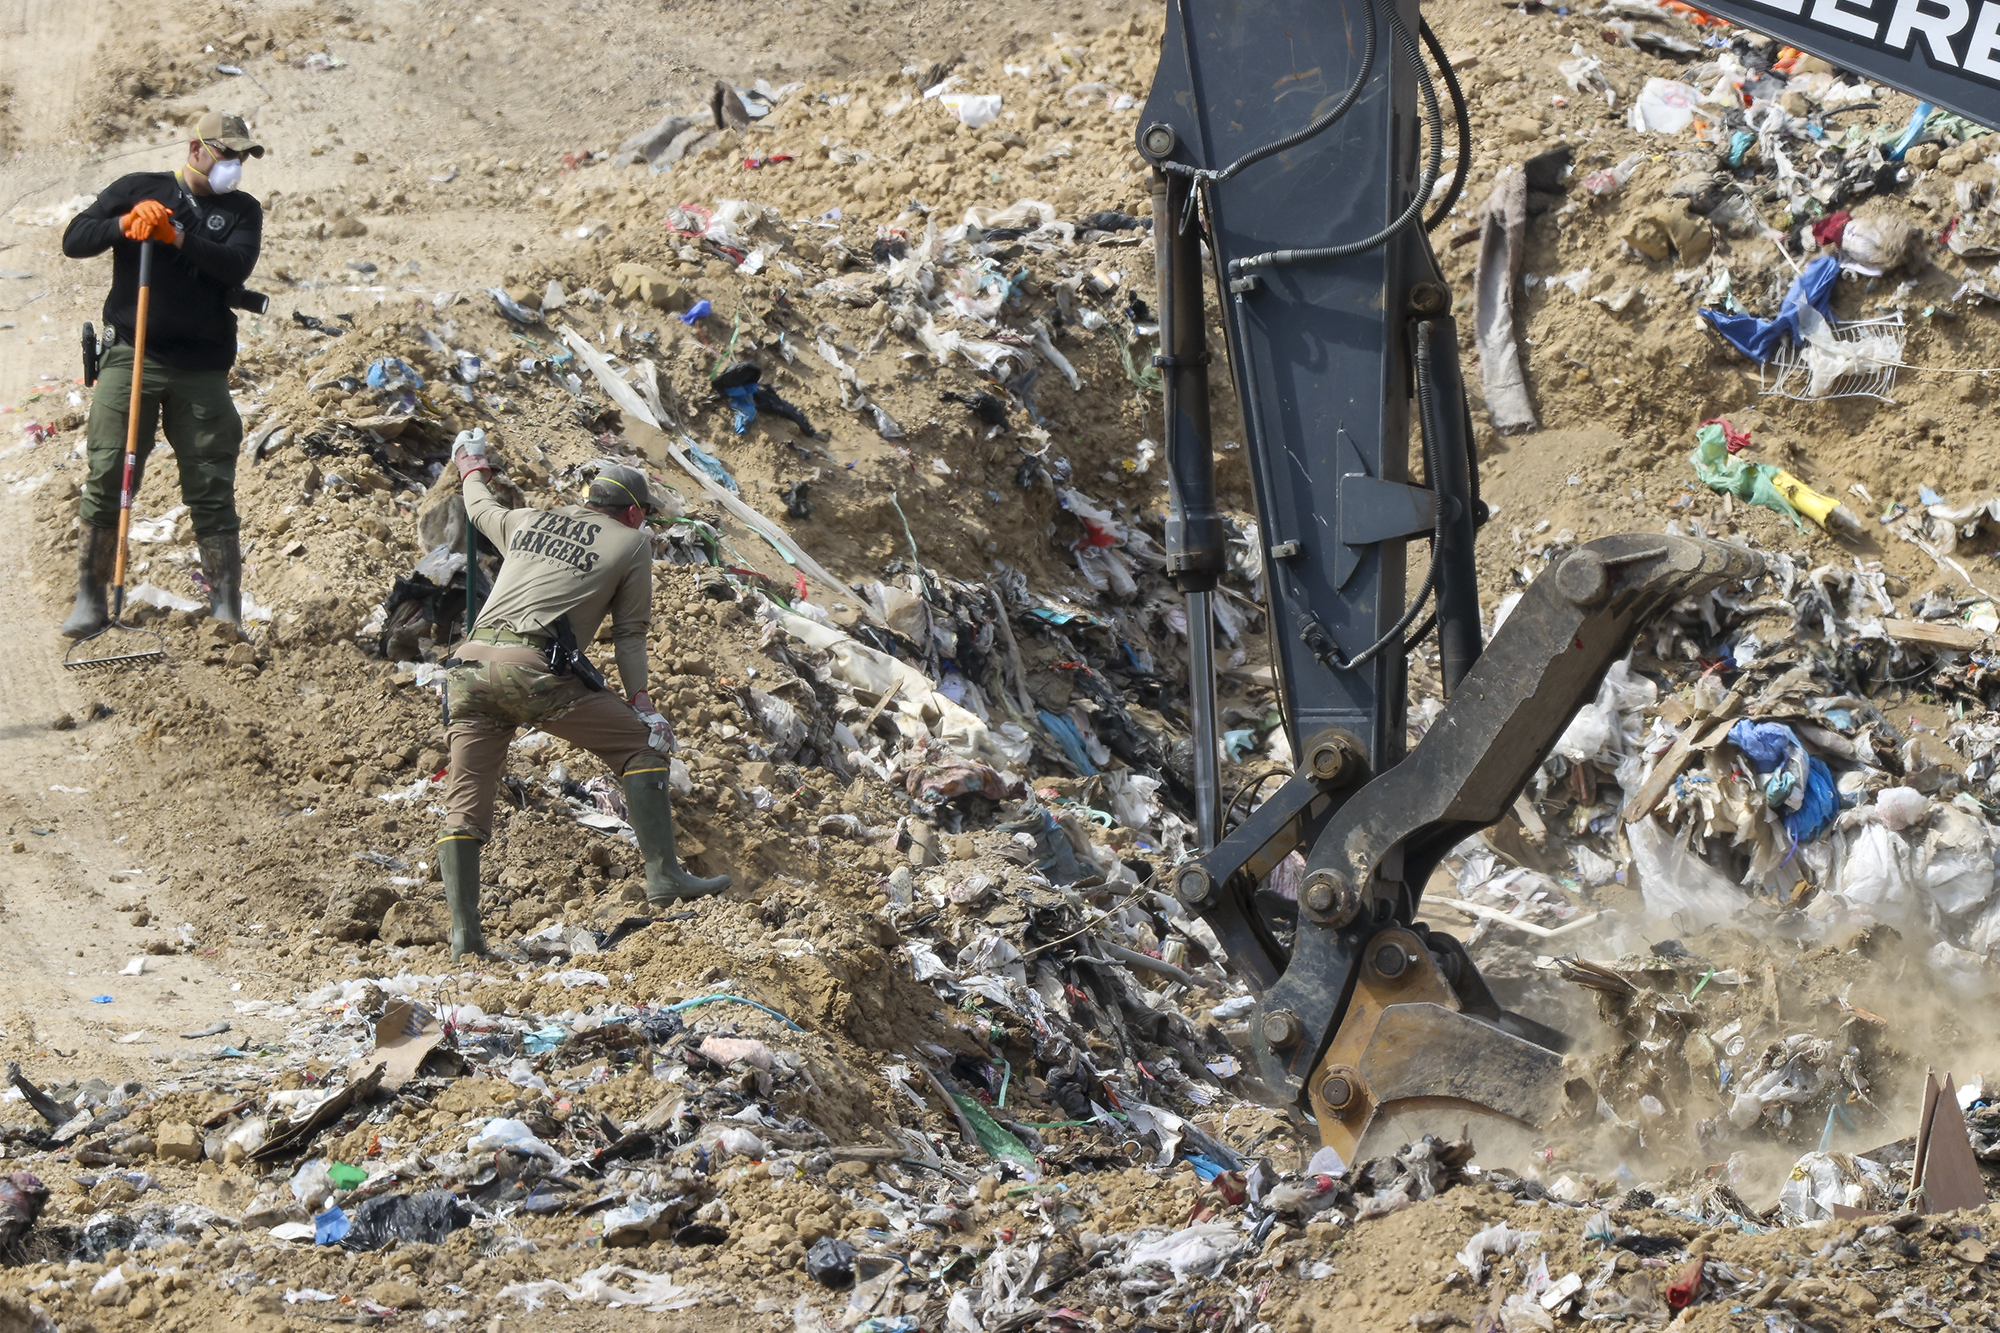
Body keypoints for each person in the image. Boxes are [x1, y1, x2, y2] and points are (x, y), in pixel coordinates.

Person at [438, 431, 730, 960]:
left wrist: (470, 462)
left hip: (467, 670)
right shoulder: (632, 543)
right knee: (642, 745)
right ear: (635, 513)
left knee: (466, 800)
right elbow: (630, 633)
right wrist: (642, 701)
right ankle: (664, 877)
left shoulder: (527, 520)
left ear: (592, 499)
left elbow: (479, 507)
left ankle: (465, 937)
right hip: (534, 672)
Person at [59, 111, 265, 637]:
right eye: (227, 154)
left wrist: (174, 236)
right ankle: (90, 596)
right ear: (196, 149)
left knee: (212, 484)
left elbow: (233, 266)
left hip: (202, 367)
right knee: (109, 473)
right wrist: (123, 226)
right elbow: (75, 238)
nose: (235, 166)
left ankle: (225, 608)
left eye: (242, 157)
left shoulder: (243, 210)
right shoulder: (138, 188)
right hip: (134, 354)